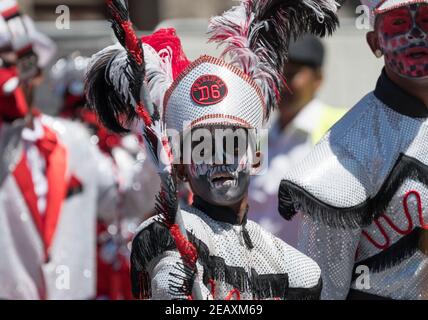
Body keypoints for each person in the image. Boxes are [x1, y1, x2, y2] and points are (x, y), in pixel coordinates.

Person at [85, 0, 341, 300]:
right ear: (180, 166)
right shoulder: (166, 238)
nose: (220, 159)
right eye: (202, 147)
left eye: (233, 143)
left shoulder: (298, 268)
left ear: (256, 155)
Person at [279, 0, 428, 300]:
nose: (416, 35)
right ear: (375, 43)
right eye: (399, 24)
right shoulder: (343, 158)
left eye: (426, 20)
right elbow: (322, 292)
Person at [0, 2, 119, 299]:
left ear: (36, 71)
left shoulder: (73, 139)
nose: (9, 74)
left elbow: (121, 202)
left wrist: (152, 129)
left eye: (18, 62)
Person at [249, 35, 345, 246]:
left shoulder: (340, 130)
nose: (281, 83)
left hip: (310, 275)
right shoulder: (257, 139)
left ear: (318, 79)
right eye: (276, 73)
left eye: (291, 73)